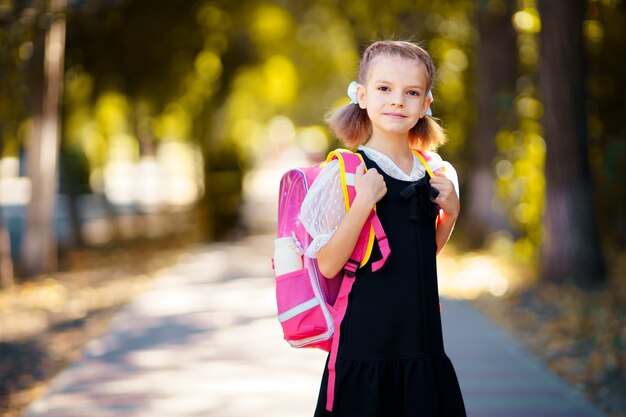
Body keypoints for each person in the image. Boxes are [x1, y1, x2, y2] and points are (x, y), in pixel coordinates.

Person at [300, 40, 467, 416]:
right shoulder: (345, 172)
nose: (397, 101)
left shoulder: (434, 172)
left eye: (411, 93)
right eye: (384, 89)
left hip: (422, 345)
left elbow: (422, 253)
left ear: (425, 104)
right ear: (362, 95)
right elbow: (327, 265)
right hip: (366, 349)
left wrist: (451, 216)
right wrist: (362, 203)